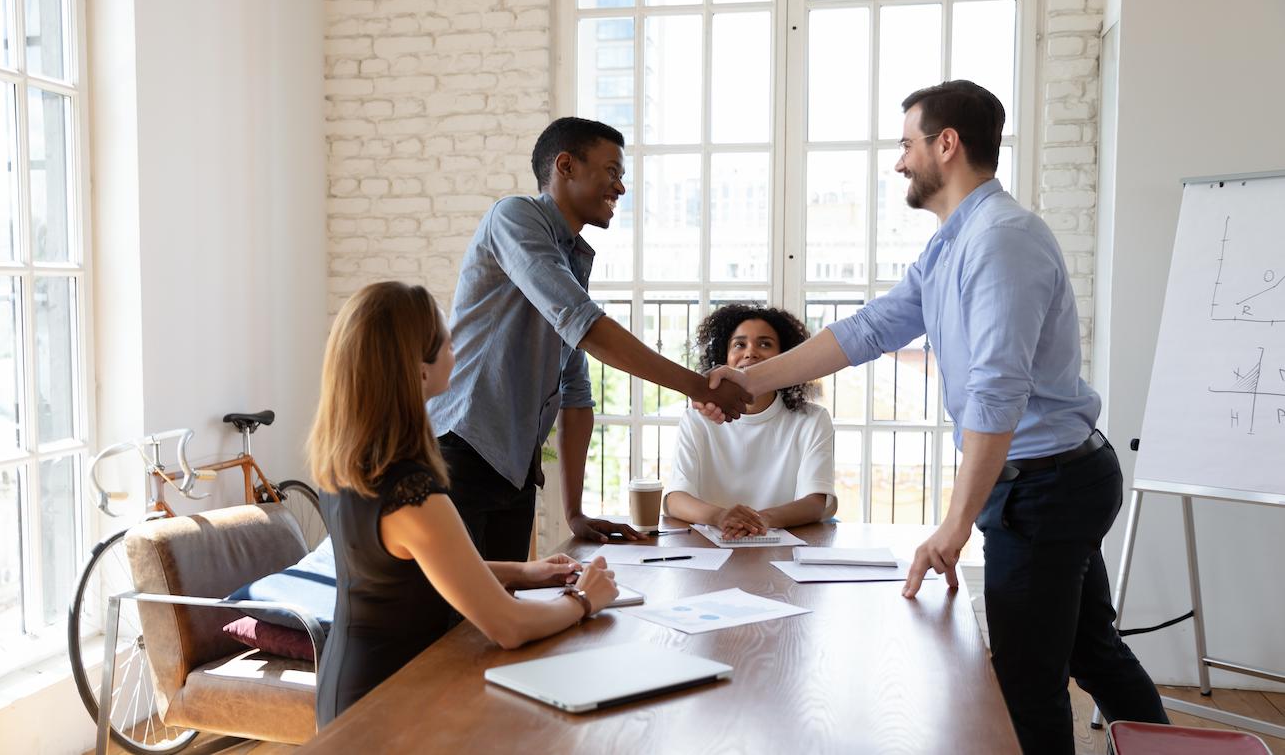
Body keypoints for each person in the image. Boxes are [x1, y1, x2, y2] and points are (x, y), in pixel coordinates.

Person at [697, 81, 1168, 752]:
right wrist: (748, 380)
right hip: (1052, 473)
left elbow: (997, 395)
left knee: (1025, 683)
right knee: (1093, 651)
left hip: (1044, 484)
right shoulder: (954, 241)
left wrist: (953, 524)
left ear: (946, 145)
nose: (898, 162)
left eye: (906, 145)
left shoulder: (1001, 241)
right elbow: (871, 328)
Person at [428, 117, 750, 560]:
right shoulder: (515, 217)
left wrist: (575, 513)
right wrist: (698, 386)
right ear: (566, 166)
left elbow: (575, 395)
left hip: (514, 471)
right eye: (612, 172)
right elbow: (587, 326)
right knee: (461, 619)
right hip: (459, 452)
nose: (620, 188)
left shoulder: (571, 258)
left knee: (505, 613)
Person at [308, 281, 620, 726]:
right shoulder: (410, 492)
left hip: (353, 686)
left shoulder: (353, 463)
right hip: (384, 701)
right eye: (448, 341)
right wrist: (585, 600)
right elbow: (507, 627)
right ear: (417, 370)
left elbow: (411, 575)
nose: (457, 348)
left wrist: (525, 571)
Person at [663, 305, 836, 539]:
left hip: (783, 550)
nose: (750, 352)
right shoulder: (696, 419)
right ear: (723, 358)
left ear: (787, 359)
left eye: (765, 344)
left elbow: (816, 501)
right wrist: (721, 517)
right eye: (739, 344)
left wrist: (761, 520)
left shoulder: (812, 420)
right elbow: (676, 499)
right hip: (711, 547)